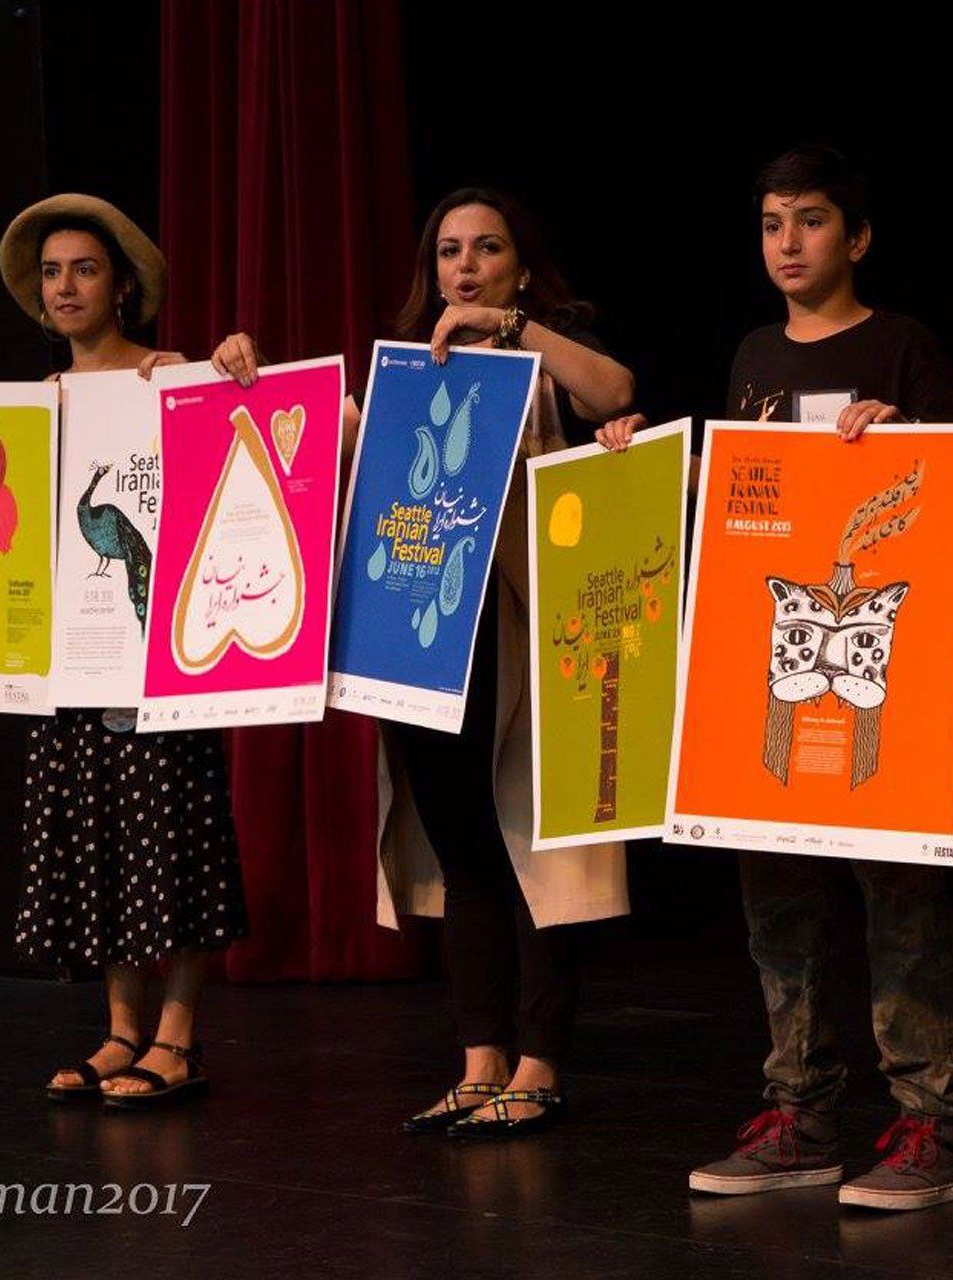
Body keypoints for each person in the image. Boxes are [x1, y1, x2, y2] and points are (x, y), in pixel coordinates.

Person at [209, 187, 637, 1138]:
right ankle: (481, 1060)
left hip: (527, 642)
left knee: (540, 854)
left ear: (519, 267)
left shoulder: (542, 351)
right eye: (450, 251)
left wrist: (513, 327)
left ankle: (540, 1063)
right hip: (422, 643)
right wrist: (252, 371)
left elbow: (614, 394)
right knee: (463, 854)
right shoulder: (406, 372)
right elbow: (317, 435)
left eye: (488, 248)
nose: (465, 266)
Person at [599, 145, 953, 1212]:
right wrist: (648, 455)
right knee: (776, 897)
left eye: (810, 222)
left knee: (899, 898)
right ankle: (799, 1112)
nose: (788, 243)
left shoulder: (903, 345)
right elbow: (743, 500)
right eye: (771, 224)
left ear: (856, 238)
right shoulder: (756, 352)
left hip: (879, 674)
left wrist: (908, 438)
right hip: (773, 666)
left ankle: (931, 1119)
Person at [0, 193, 247, 1109]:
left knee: (175, 836)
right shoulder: (31, 404)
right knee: (101, 841)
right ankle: (121, 1031)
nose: (65, 285)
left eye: (85, 268)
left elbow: (232, 471)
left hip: (159, 659)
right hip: (67, 662)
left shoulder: (169, 375)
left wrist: (229, 375)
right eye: (52, 272)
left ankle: (178, 1039)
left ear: (122, 288)